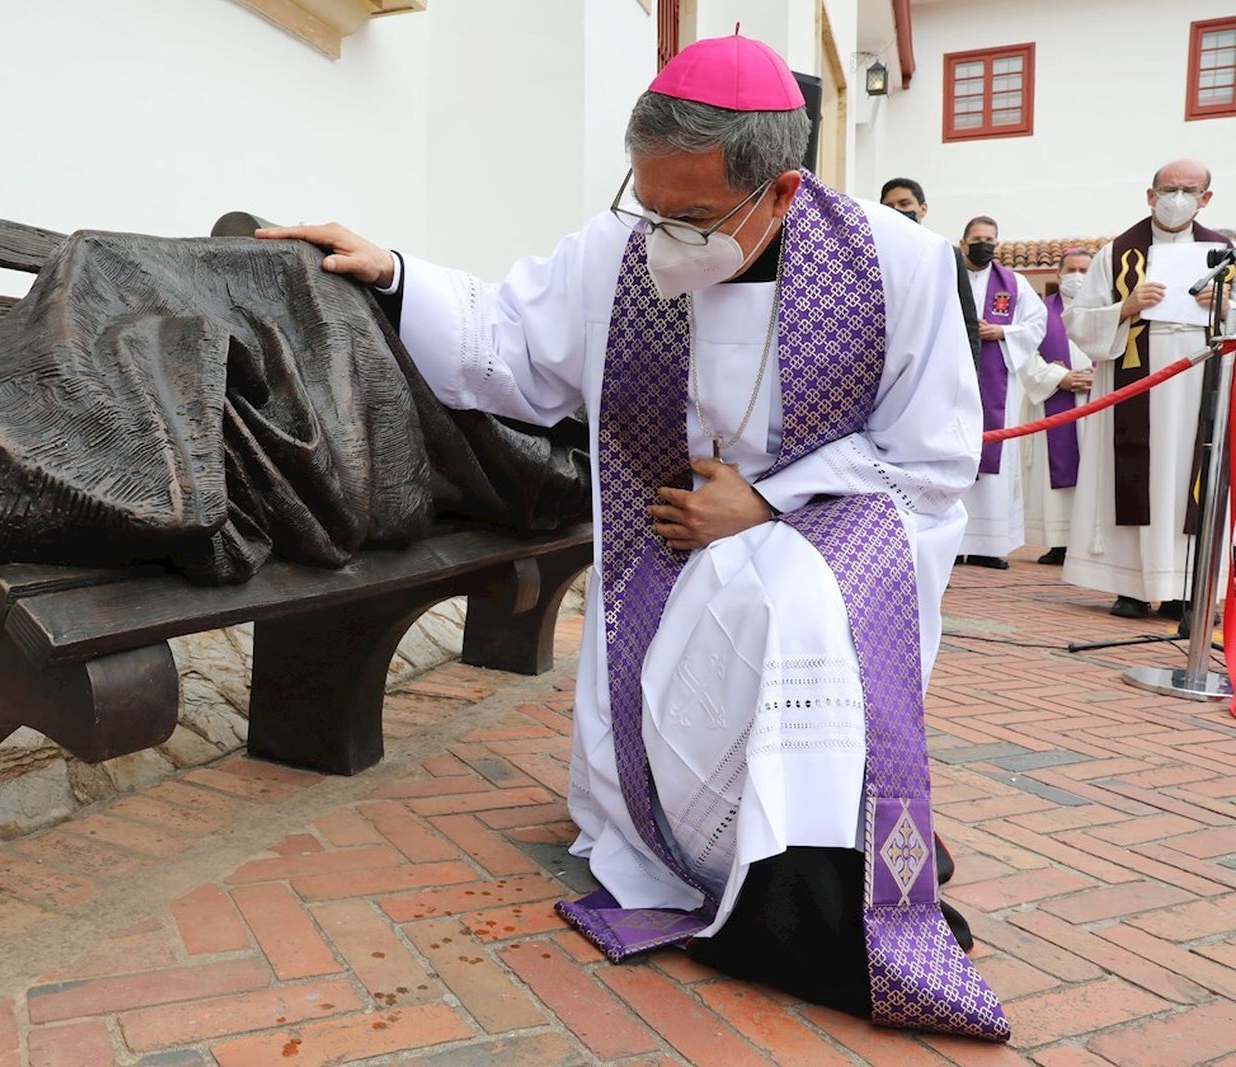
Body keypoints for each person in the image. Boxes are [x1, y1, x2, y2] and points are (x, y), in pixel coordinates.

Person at [259, 34, 1008, 1040]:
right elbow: (508, 346)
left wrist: (769, 502)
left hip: (839, 523)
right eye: (647, 205)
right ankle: (710, 848)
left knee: (787, 603)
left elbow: (929, 454)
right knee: (741, 612)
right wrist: (395, 272)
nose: (661, 236)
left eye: (691, 216)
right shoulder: (620, 253)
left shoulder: (898, 262)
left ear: (781, 192)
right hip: (663, 541)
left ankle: (816, 884)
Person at [1062, 160, 1234, 620]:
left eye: (1189, 190)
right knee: (1138, 468)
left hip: (1200, 377)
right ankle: (1131, 585)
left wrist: (1222, 305)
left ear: (1206, 199)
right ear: (1150, 195)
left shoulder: (1225, 253)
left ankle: (1186, 588)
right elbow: (1076, 321)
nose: (1178, 198)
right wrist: (1125, 307)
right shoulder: (1116, 252)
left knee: (1186, 476)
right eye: (1169, 189)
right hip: (1134, 374)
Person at [957, 216, 1049, 568]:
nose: (985, 245)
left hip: (997, 381)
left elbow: (1036, 323)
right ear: (963, 243)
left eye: (990, 239)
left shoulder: (1015, 284)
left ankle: (988, 545)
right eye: (977, 238)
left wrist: (1002, 332)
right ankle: (956, 541)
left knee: (995, 455)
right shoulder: (949, 277)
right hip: (955, 377)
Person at [1023, 250, 1096, 565]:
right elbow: (1025, 356)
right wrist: (1060, 378)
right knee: (1060, 468)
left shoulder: (1104, 310)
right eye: (1071, 269)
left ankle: (1089, 542)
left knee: (1094, 469)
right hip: (1056, 398)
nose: (1077, 276)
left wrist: (1099, 376)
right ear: (1058, 273)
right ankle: (1060, 543)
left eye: (1084, 270)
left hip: (1097, 401)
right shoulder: (1040, 312)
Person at [881, 177, 981, 364]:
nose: (897, 210)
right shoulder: (875, 256)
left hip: (935, 359)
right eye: (889, 206)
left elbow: (967, 321)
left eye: (905, 203)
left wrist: (970, 369)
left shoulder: (945, 254)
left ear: (923, 209)